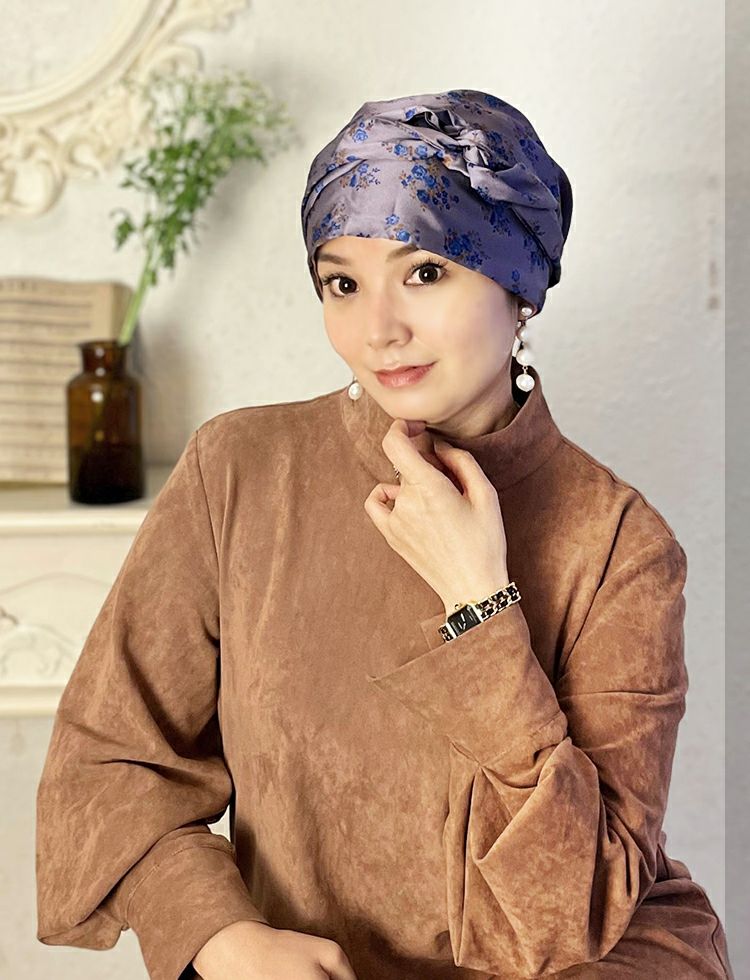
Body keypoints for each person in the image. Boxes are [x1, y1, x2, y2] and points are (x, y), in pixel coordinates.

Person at [35, 89, 733, 979]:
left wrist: (481, 606)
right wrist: (219, 935)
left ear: (519, 286)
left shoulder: (620, 543)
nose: (379, 331)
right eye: (343, 283)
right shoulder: (239, 471)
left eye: (426, 272)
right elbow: (109, 763)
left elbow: (581, 906)